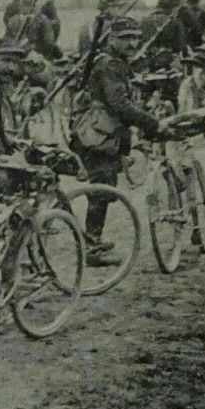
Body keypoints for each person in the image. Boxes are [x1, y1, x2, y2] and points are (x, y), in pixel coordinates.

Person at [69, 20, 165, 264]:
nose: (132, 43)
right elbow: (119, 104)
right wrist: (153, 124)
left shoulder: (114, 62)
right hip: (98, 136)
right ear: (112, 39)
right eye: (126, 38)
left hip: (102, 133)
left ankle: (92, 241)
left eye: (135, 37)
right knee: (101, 190)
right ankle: (90, 248)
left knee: (103, 188)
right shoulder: (110, 65)